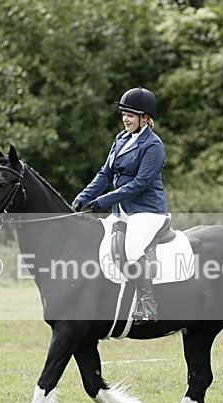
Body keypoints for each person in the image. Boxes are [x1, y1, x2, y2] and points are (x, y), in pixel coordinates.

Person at [72, 87, 168, 324]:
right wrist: (82, 198)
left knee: (133, 248)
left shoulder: (153, 146)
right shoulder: (121, 138)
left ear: (145, 118)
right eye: (124, 114)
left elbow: (139, 184)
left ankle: (148, 305)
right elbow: (105, 174)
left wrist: (103, 201)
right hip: (122, 212)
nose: (125, 119)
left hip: (147, 211)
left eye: (131, 115)